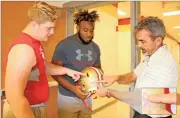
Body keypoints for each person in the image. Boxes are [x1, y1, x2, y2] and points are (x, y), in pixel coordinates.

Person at [4, 2, 85, 118]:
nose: (52, 32)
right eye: (49, 28)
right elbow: (14, 98)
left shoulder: (35, 43)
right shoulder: (23, 49)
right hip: (23, 110)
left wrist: (67, 71)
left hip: (35, 107)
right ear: (35, 24)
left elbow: (41, 65)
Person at [96, 16, 178, 118]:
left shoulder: (162, 64)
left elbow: (141, 99)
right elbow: (133, 76)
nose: (138, 45)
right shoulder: (151, 56)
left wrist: (108, 92)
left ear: (158, 41)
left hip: (152, 114)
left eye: (143, 41)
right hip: (144, 111)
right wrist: (115, 78)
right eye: (138, 41)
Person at [52, 9, 102, 118]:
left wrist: (97, 83)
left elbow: (98, 69)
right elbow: (54, 72)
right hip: (67, 98)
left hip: (87, 97)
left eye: (91, 30)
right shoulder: (64, 45)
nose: (89, 34)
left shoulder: (95, 48)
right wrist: (74, 89)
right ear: (77, 28)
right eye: (85, 30)